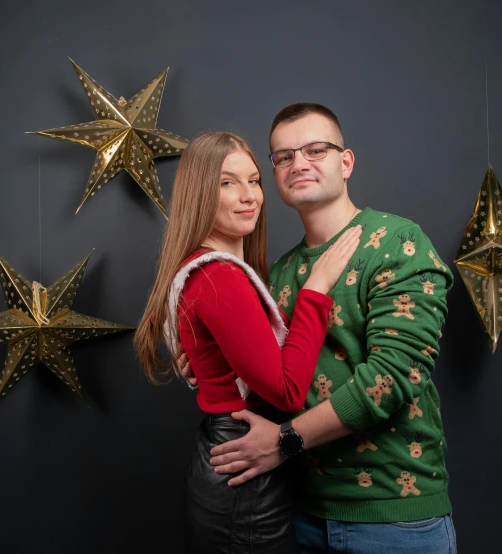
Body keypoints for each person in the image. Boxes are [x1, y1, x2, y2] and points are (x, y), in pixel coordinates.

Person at [185, 105, 457, 553]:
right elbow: (265, 371)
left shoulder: (397, 243)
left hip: (392, 518)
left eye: (316, 150)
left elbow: (391, 378)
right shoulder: (277, 274)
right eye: (283, 156)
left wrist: (284, 441)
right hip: (298, 512)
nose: (299, 164)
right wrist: (204, 351)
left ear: (346, 162)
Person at [133, 131, 362, 554]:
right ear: (200, 193)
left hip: (231, 459)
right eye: (227, 182)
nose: (248, 195)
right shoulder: (219, 278)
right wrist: (317, 287)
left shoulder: (203, 269)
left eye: (254, 180)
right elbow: (288, 391)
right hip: (243, 478)